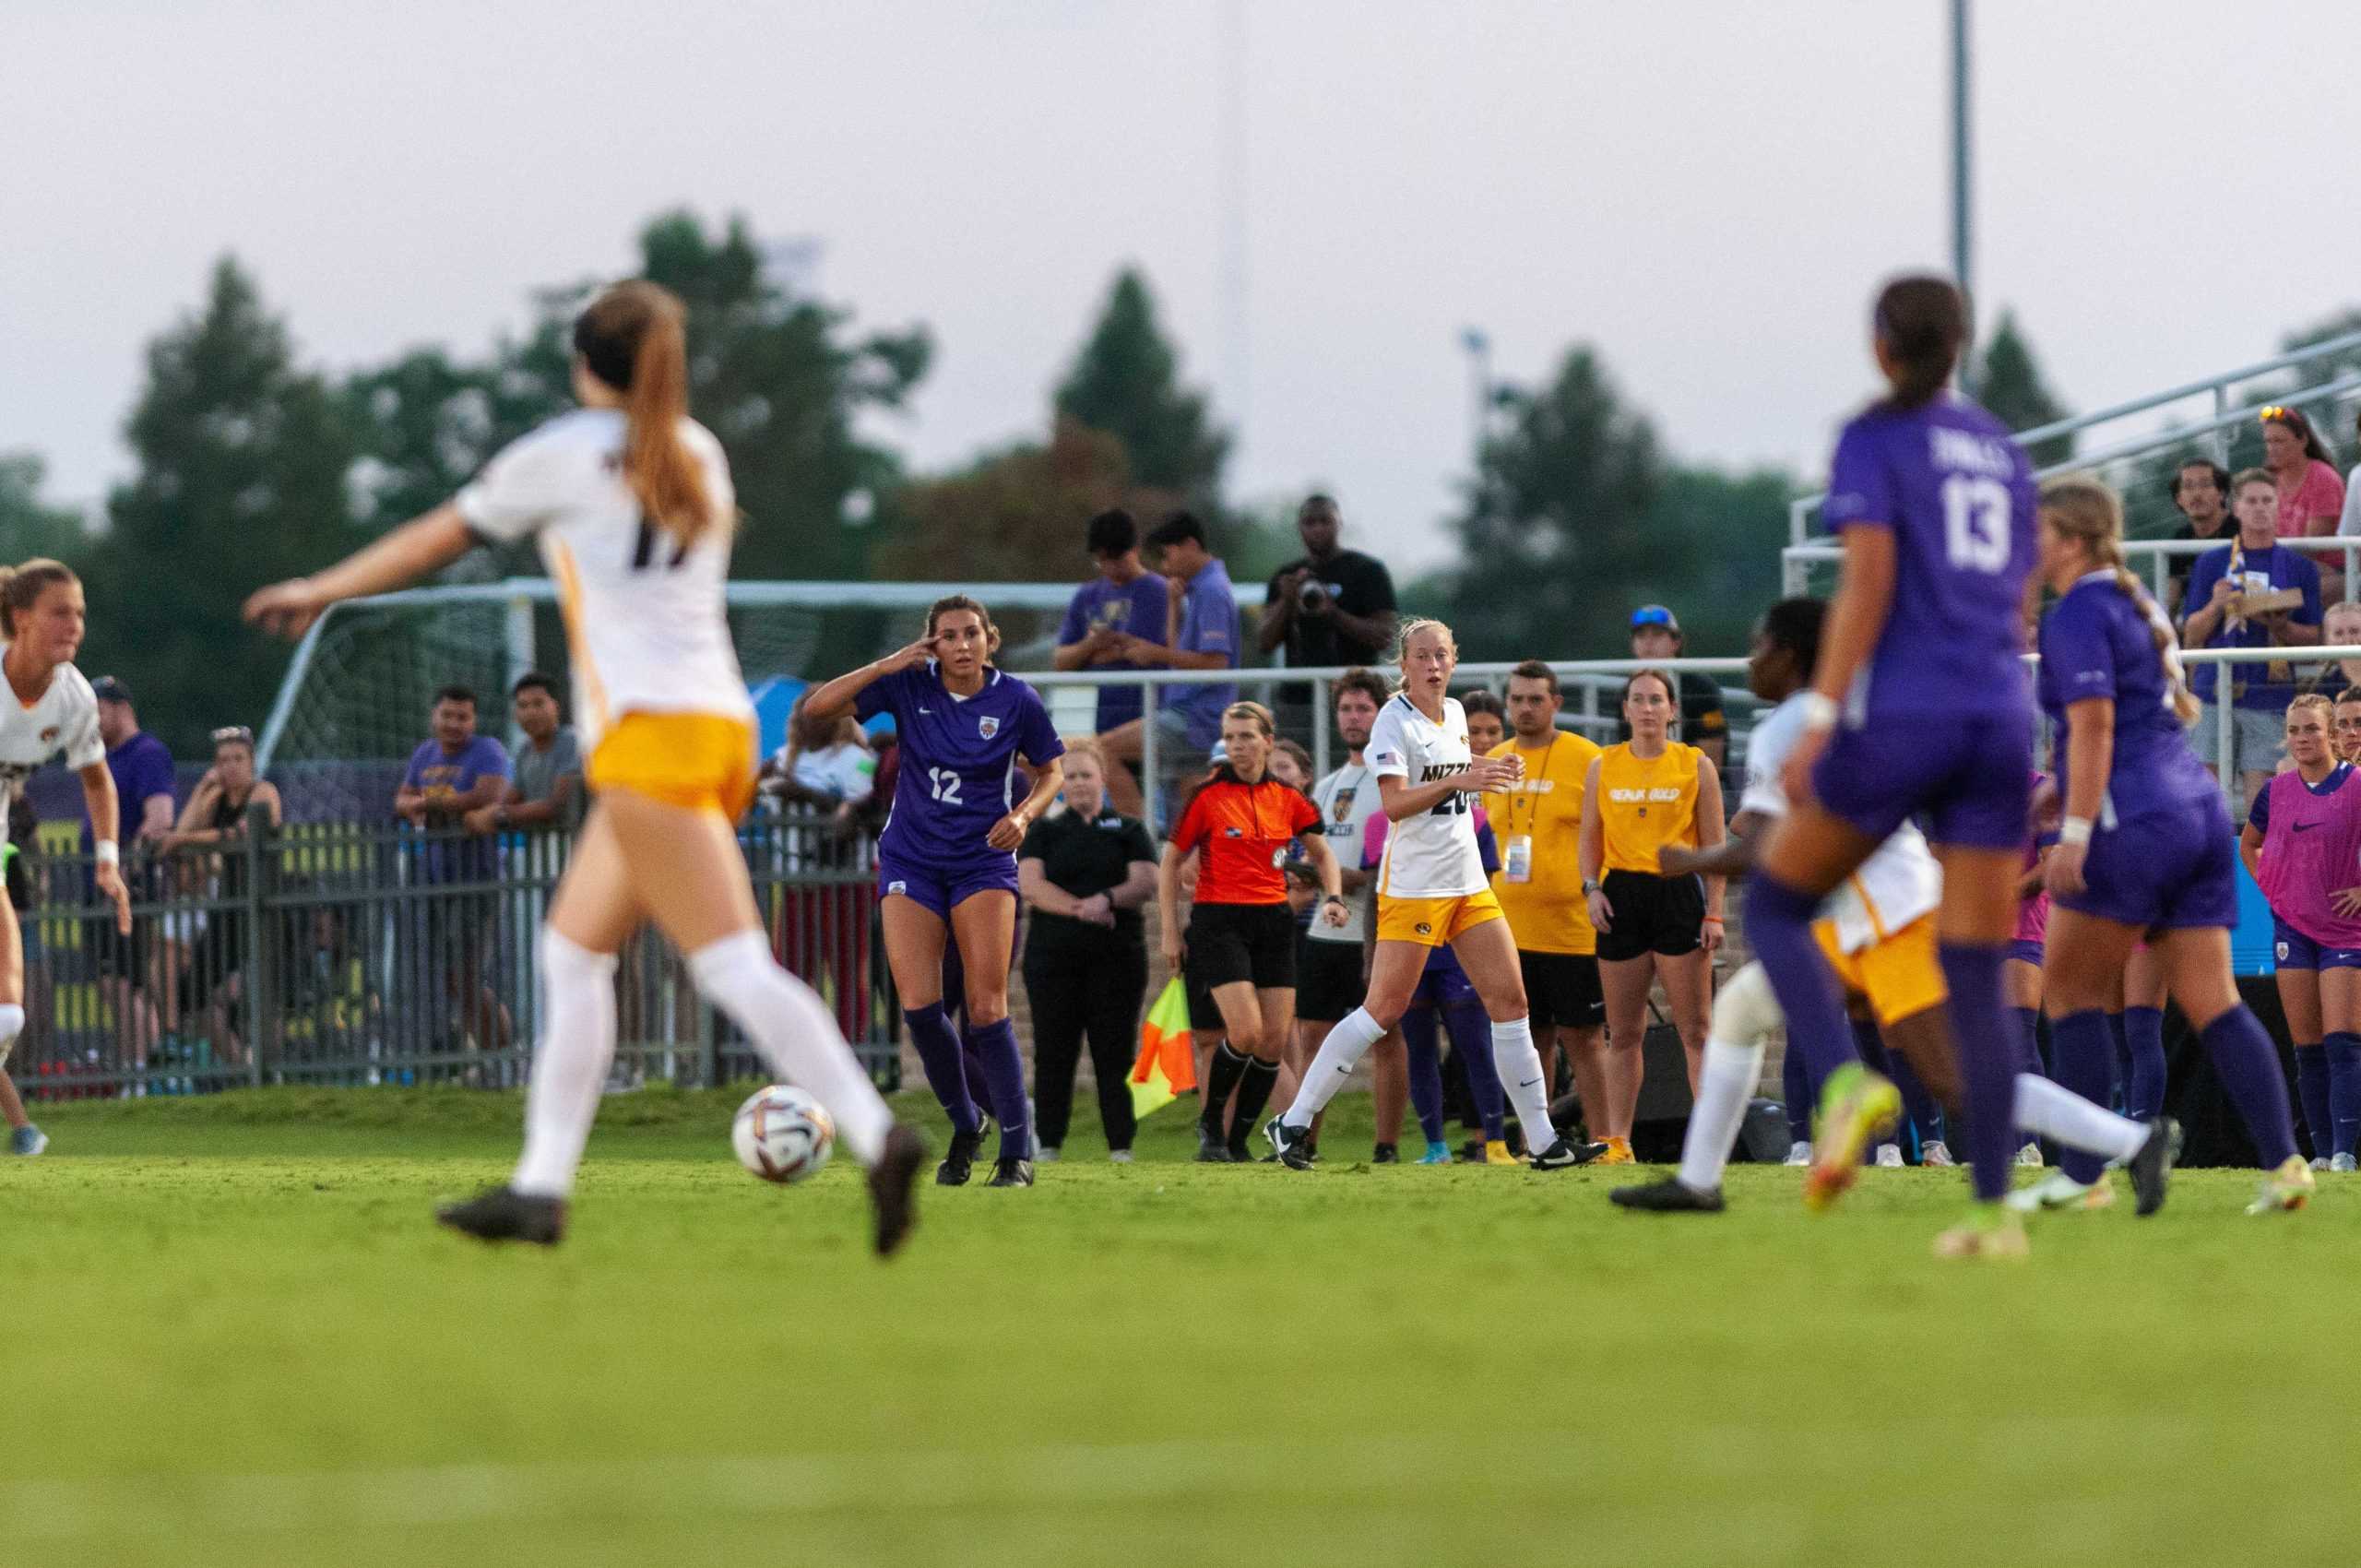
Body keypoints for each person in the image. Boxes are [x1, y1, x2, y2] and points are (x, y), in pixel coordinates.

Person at [245, 279, 923, 1252]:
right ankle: (539, 1186)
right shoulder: (696, 451)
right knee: (572, 952)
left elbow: (438, 535)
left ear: (581, 362)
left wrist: (321, 587)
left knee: (732, 962)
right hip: (718, 729)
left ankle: (876, 1132)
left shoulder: (562, 455)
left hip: (648, 735)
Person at [1610, 597, 2171, 1215]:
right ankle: (1698, 1180)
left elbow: (1772, 845)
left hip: (1886, 917)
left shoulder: (1790, 728)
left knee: (1959, 1081)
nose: (1753, 660)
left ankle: (2132, 1141)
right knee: (1743, 1010)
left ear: (1791, 656)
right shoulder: (1851, 712)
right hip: (1878, 911)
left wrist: (1691, 861)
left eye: (1761, 645)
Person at [1747, 275, 2045, 1259]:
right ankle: (1995, 1213)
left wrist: (1822, 714)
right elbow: (2015, 601)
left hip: (1914, 709)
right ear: (1958, 347)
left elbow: (1867, 579)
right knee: (1971, 971)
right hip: (2001, 712)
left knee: (1777, 903)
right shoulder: (2002, 447)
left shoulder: (1873, 436)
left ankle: (1844, 1078)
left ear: (1881, 345)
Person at [2030, 473, 2311, 1217]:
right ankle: (2287, 1166)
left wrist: (2076, 829)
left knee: (2069, 992)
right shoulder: (2139, 600)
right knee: (2213, 1000)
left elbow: (2093, 727)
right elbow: (2146, 717)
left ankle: (2084, 1173)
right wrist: (2057, 793)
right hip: (2192, 809)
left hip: (2132, 818)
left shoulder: (2079, 612)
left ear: (2071, 538)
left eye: (2039, 528)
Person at [1265, 619, 1593, 1170]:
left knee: (1512, 1004)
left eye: (1441, 654)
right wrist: (1457, 781)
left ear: (1454, 660)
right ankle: (1292, 1122)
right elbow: (1393, 804)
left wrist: (1487, 771)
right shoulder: (1392, 722)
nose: (1433, 665)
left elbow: (1455, 779)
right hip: (1414, 887)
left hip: (1467, 883)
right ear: (1404, 664)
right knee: (1382, 1011)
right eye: (1422, 655)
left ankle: (1543, 1143)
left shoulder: (1459, 714)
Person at [802, 594, 1066, 1189]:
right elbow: (818, 708)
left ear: (989, 638)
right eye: (949, 636)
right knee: (919, 1009)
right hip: (911, 860)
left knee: (986, 1007)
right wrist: (886, 665)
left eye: (972, 632)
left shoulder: (1016, 698)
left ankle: (1018, 1151)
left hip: (983, 861)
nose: (963, 644)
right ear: (932, 644)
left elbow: (1052, 770)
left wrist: (1023, 816)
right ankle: (967, 1121)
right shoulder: (909, 685)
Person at [1158, 702, 1346, 1162]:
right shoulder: (1206, 797)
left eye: (1246, 736)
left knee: (1271, 1041)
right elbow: (1170, 863)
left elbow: (1322, 854)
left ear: (1267, 740)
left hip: (1274, 922)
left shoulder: (1288, 797)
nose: (1238, 745)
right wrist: (1168, 930)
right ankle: (1210, 1124)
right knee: (1243, 1031)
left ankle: (1237, 1139)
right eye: (1230, 737)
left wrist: (1334, 897)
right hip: (1219, 920)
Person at [0, 564, 131, 1153]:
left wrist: (107, 859)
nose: (74, 625)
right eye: (60, 612)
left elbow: (99, 783)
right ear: (21, 619)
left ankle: (21, 1127)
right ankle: (23, 1127)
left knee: (8, 1020)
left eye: (80, 613)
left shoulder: (75, 698)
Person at [1578, 669, 1725, 1164]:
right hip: (1622, 894)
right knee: (1623, 1032)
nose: (1646, 708)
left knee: (1696, 1030)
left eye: (1656, 700)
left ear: (1671, 710)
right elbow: (1588, 839)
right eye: (1637, 699)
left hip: (1678, 892)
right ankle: (1618, 1140)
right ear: (1625, 710)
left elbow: (1715, 846)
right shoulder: (1604, 765)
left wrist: (1716, 915)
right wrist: (1592, 889)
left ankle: (1709, 1142)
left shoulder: (1694, 764)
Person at [1480, 660, 1607, 1143]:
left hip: (1572, 928)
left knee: (1584, 1039)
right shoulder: (1494, 760)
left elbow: (1606, 835)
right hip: (1508, 927)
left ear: (1556, 703)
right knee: (1530, 1041)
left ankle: (1608, 1138)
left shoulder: (1588, 758)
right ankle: (1543, 1140)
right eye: (1517, 699)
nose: (1525, 708)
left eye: (1536, 699)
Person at [1016, 741, 1156, 1164]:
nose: (1078, 784)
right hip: (1053, 958)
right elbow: (1031, 886)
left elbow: (1144, 881)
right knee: (1053, 1050)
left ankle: (1120, 1146)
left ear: (1102, 778)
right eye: (1070, 776)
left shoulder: (1129, 830)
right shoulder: (1043, 831)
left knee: (1114, 1051)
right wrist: (1083, 907)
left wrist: (1109, 898)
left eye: (1085, 775)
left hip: (1117, 958)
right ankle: (1049, 1144)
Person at [2239, 695, 2361, 1171]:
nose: (2302, 739)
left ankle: (2347, 1152)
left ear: (2332, 734)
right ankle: (2324, 1152)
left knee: (2342, 1041)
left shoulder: (2356, 785)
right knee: (2306, 1047)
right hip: (2293, 928)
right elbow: (2251, 845)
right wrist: (2273, 889)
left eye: (2311, 729)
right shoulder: (2276, 790)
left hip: (2345, 930)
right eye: (2293, 730)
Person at [1286, 672, 1399, 1158]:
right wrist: (1308, 875)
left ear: (1381, 714)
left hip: (1374, 931)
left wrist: (1342, 879)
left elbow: (1385, 867)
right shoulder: (1329, 785)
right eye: (1346, 710)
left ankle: (1387, 1145)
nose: (1354, 718)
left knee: (1385, 1038)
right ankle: (1304, 1140)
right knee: (1312, 1034)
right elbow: (1323, 857)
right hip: (1324, 928)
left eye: (1363, 709)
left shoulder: (1393, 781)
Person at [2182, 469, 2323, 803]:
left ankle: (2257, 858)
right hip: (2215, 687)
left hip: (2268, 691)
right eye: (2251, 500)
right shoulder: (2211, 562)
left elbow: (2315, 640)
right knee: (2205, 798)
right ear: (2236, 508)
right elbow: (2191, 634)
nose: (2260, 508)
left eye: (2267, 500)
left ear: (2279, 506)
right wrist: (2217, 606)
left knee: (2263, 804)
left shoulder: (2298, 566)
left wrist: (2279, 626)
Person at [397, 685, 514, 1067]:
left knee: (467, 975)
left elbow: (487, 795)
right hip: (437, 878)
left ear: (474, 721)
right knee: (449, 979)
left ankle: (503, 1055)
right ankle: (484, 1055)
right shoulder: (424, 754)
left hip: (477, 878)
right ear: (434, 716)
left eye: (462, 717)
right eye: (447, 715)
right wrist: (418, 805)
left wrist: (428, 803)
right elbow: (402, 799)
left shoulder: (487, 751)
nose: (454, 724)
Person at [1099, 513, 1238, 825]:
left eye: (1167, 554)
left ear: (1190, 545)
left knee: (1102, 749)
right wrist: (1174, 606)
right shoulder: (1201, 588)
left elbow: (1217, 663)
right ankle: (1155, 850)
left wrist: (1152, 653)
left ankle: (1137, 837)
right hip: (1192, 716)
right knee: (1186, 825)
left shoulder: (1213, 591)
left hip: (1194, 717)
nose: (1164, 566)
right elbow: (1183, 655)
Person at [159, 725, 283, 1069]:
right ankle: (242, 1064)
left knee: (266, 993)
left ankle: (270, 1069)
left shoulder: (264, 792)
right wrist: (202, 790)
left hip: (266, 906)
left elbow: (240, 835)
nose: (230, 767)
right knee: (190, 993)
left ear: (252, 762)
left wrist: (186, 841)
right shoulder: (216, 799)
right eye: (223, 760)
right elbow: (179, 835)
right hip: (229, 909)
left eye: (237, 759)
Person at [84, 675, 175, 1087]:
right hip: (100, 885)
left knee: (123, 980)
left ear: (121, 708)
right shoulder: (102, 754)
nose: (92, 721)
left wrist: (127, 866)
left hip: (127, 887)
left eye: (97, 711)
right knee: (115, 983)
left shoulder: (147, 753)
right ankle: (138, 1066)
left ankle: (141, 1070)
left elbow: (158, 821)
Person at [1054, 508, 1171, 817]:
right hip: (1103, 715)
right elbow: (1061, 660)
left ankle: (1145, 846)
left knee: (1162, 807)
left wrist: (1098, 652)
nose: (1109, 568)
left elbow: (1143, 650)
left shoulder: (1158, 592)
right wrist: (1093, 644)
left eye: (1117, 559)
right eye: (1102, 560)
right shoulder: (1087, 595)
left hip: (1150, 711)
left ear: (1135, 550)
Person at [1258, 493, 1398, 669]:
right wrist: (1286, 602)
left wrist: (1333, 613)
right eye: (1309, 522)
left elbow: (1386, 637)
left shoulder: (1368, 571)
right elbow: (1264, 644)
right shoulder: (1287, 577)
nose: (1318, 529)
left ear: (1339, 523)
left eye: (1325, 521)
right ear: (1299, 527)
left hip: (1355, 688)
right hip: (1299, 689)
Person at [470, 671, 584, 838]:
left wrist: (497, 815)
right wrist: (485, 814)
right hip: (542, 849)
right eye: (523, 706)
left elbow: (557, 805)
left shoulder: (572, 741)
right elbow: (511, 798)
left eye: (539, 704)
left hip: (578, 845)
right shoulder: (525, 751)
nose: (530, 712)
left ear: (556, 708)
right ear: (515, 714)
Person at [1618, 607, 1728, 769]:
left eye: (1657, 634)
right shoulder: (1628, 691)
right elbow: (1627, 753)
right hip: (1643, 784)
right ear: (1633, 645)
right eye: (1641, 635)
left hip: (1696, 783)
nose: (1648, 642)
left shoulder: (1702, 689)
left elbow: (1712, 761)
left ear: (1676, 643)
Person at [2260, 404, 2346, 599]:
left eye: (2279, 441)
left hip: (2331, 571)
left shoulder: (2323, 478)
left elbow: (2310, 547)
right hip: (2284, 564)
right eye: (2268, 441)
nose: (2272, 448)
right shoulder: (2269, 480)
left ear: (2303, 441)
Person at [2163, 459, 2233, 617]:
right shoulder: (2179, 540)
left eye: (2205, 485)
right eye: (2188, 486)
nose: (2197, 494)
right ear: (2179, 498)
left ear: (2222, 493)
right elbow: (2171, 602)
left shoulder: (2242, 532)